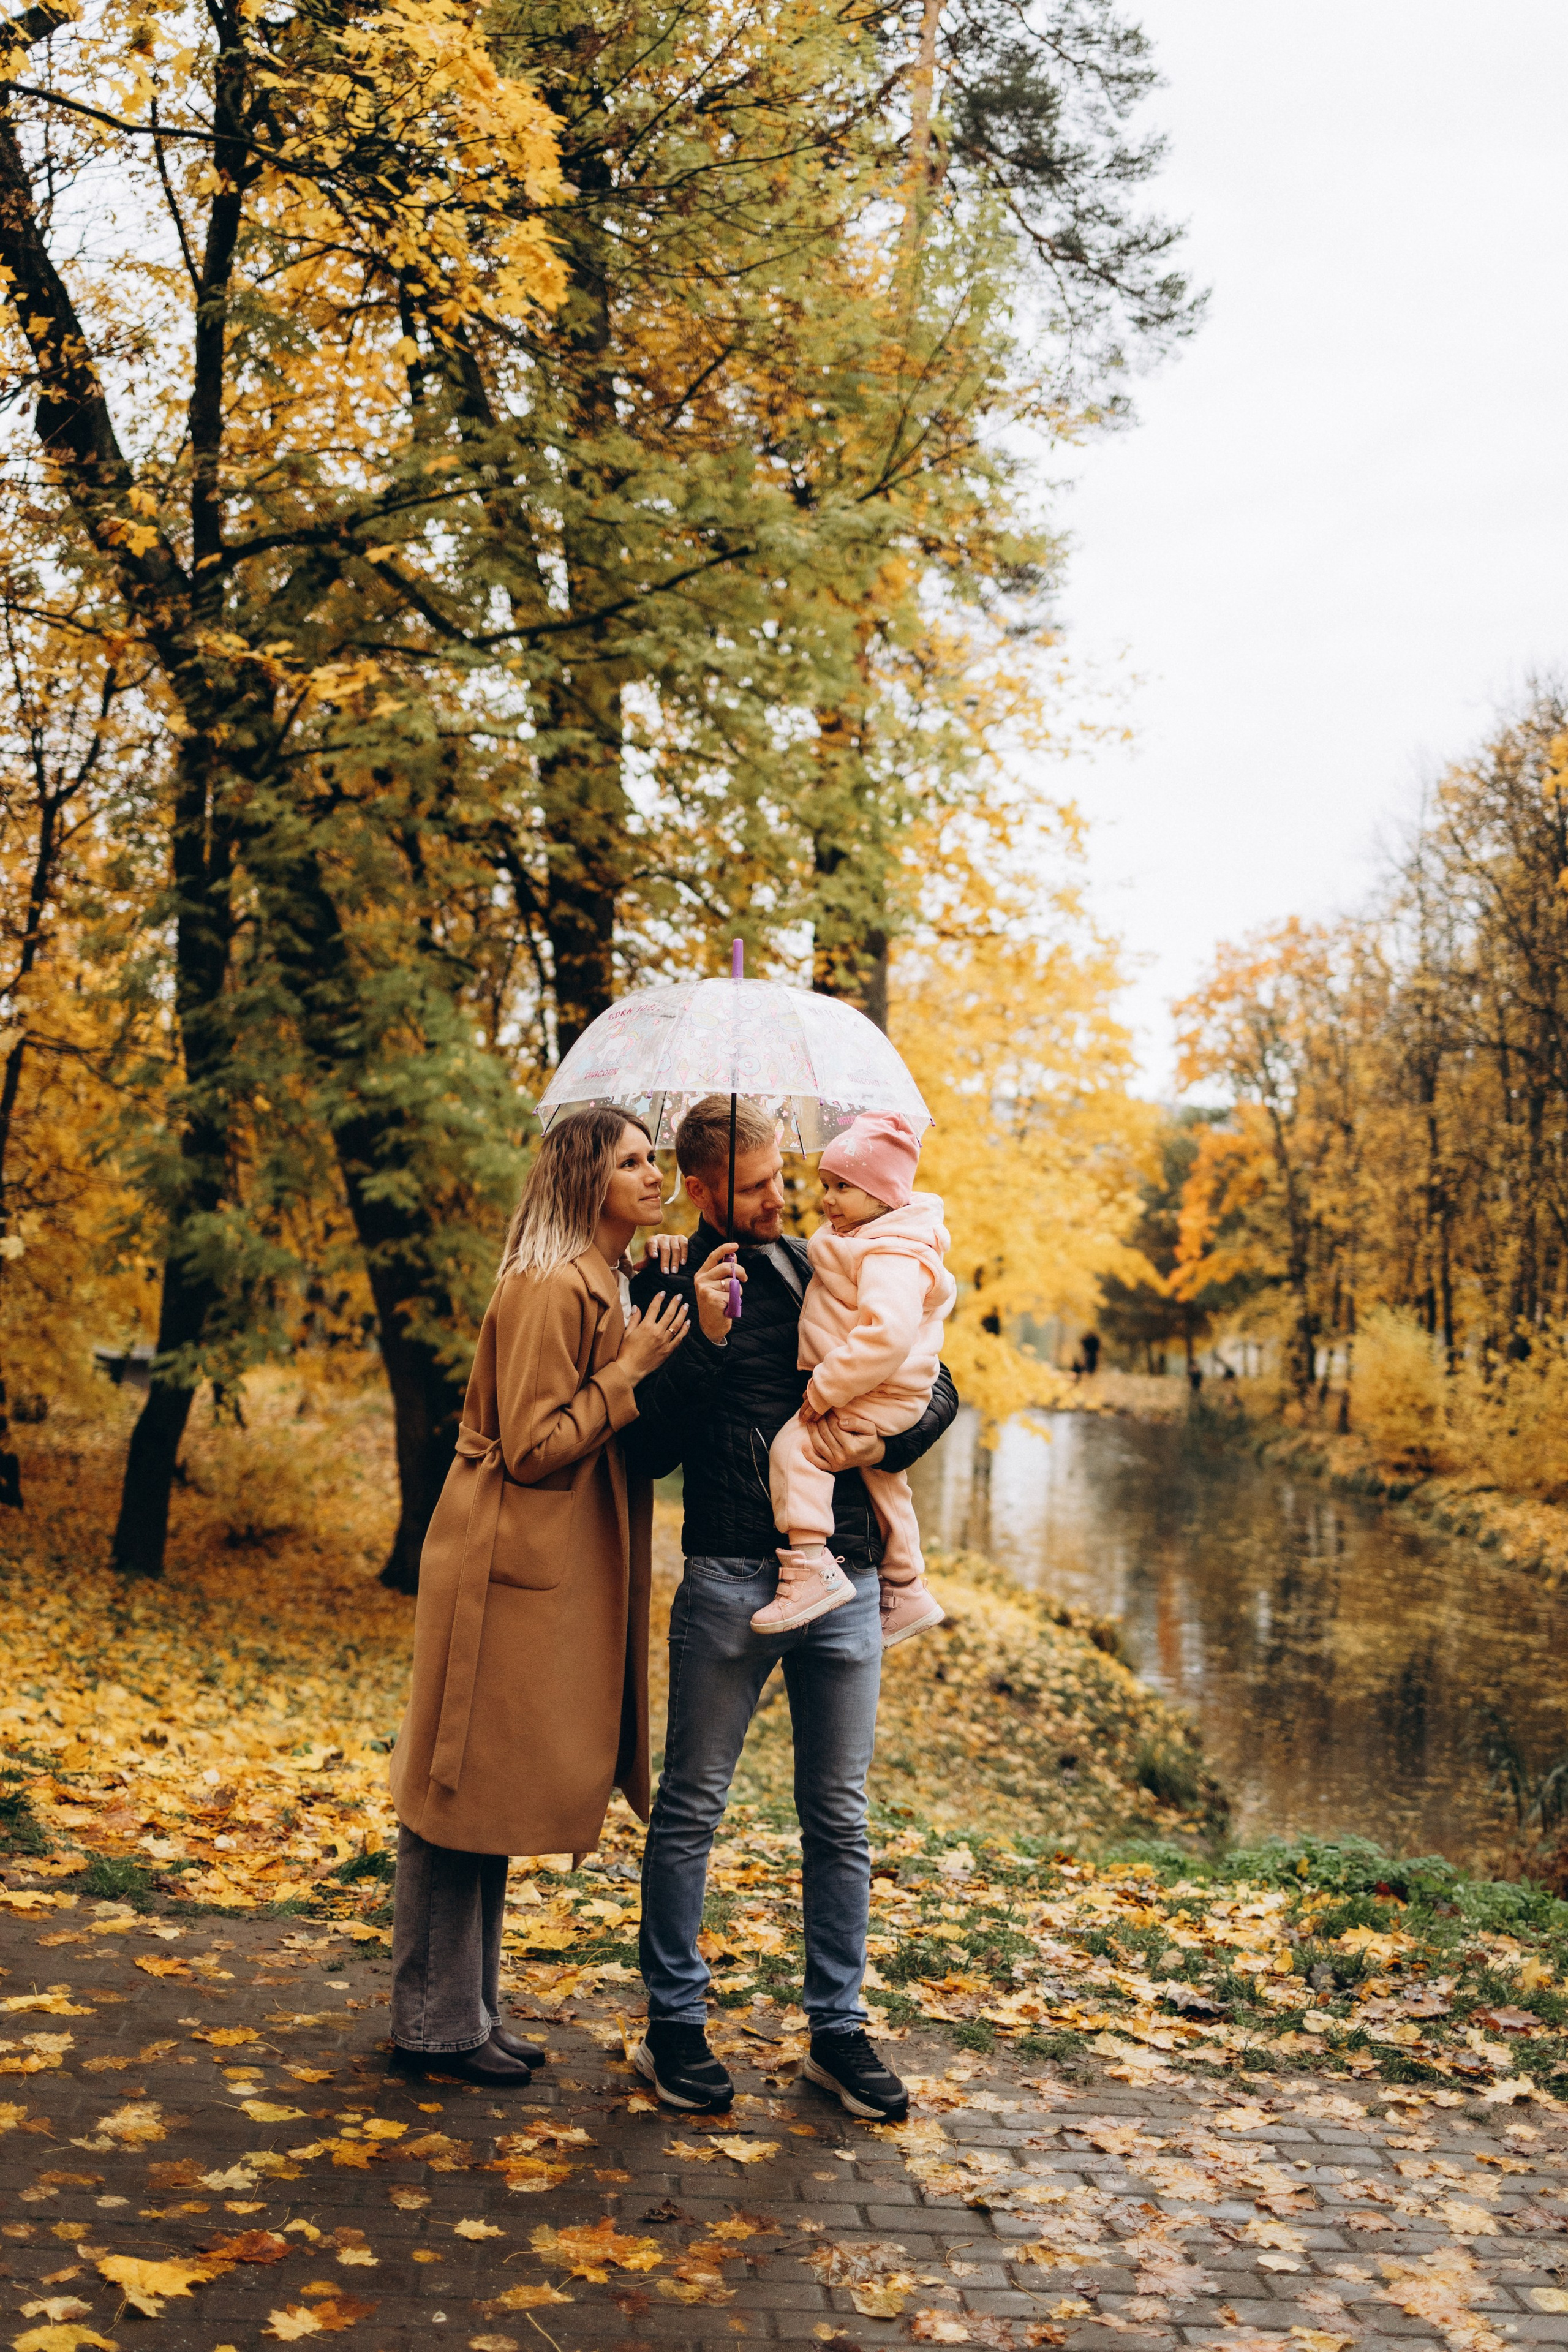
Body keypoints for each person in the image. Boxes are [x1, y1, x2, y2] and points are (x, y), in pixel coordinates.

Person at [623, 1095, 958, 2124]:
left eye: (784, 1179)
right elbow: (644, 1451)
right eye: (758, 1186)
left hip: (848, 1573)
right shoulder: (667, 1280)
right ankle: (674, 2025)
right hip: (730, 1569)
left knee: (840, 1817)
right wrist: (705, 1336)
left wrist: (888, 1443)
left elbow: (937, 1383)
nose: (779, 1200)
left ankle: (837, 2032)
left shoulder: (834, 1253)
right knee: (691, 1807)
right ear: (701, 1190)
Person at [386, 1106, 688, 2087]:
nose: (655, 1175)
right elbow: (532, 1445)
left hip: (535, 1563)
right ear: (583, 1179)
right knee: (456, 1788)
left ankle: (466, 2009)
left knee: (490, 1794)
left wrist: (662, 1301)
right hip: (499, 1561)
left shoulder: (599, 1275)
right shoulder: (552, 1285)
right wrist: (629, 1370)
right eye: (633, 1162)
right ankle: (434, 2026)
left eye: (656, 1159)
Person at [759, 1110, 956, 1646]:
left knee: (796, 1451)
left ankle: (810, 1567)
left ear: (883, 1195)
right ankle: (908, 1583)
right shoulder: (869, 1237)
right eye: (826, 1184)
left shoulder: (892, 1252)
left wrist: (826, 1388)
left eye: (843, 1187)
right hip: (888, 1390)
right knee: (883, 1478)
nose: (827, 1199)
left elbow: (887, 1336)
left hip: (876, 1388)